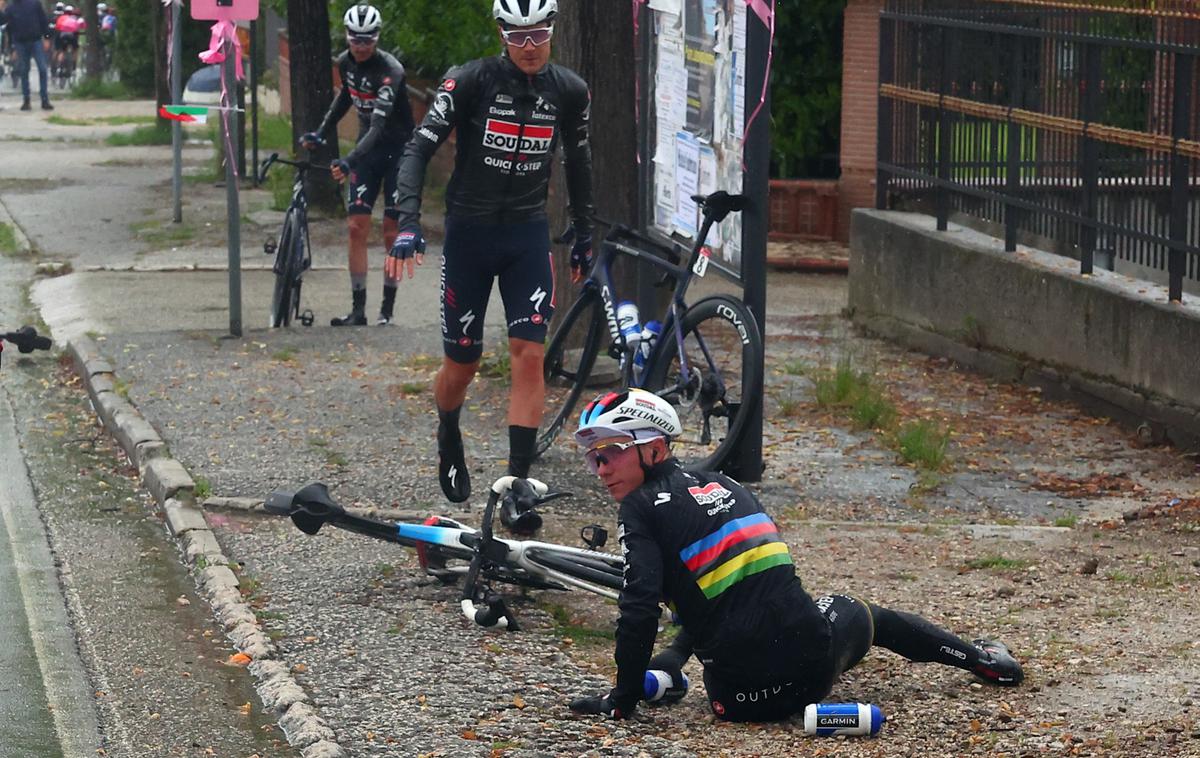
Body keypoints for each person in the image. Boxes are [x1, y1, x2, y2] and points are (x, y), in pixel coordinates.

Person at [566, 389, 1025, 721]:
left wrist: (622, 699)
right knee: (861, 611)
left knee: (720, 613)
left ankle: (665, 679)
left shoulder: (639, 507)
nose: (601, 469)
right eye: (593, 458)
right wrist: (673, 653)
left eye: (611, 453)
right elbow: (748, 591)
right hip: (812, 667)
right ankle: (983, 660)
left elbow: (640, 608)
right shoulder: (727, 487)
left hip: (735, 702)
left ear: (655, 448)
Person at [387, 0, 595, 503]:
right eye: (517, 35)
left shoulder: (569, 90)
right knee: (463, 364)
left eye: (538, 34)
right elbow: (418, 149)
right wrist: (409, 223)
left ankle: (517, 482)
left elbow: (580, 162)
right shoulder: (470, 80)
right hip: (469, 235)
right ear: (501, 33)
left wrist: (583, 232)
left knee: (528, 355)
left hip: (526, 235)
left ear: (551, 31)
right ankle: (448, 428)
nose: (529, 47)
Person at [300, 4, 415, 327]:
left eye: (368, 40)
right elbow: (345, 99)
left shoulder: (391, 70)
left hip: (398, 151)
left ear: (377, 38)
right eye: (356, 39)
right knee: (355, 228)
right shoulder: (344, 62)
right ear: (348, 37)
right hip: (369, 152)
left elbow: (378, 127)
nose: (361, 46)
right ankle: (358, 310)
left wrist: (349, 160)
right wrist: (321, 134)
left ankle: (387, 311)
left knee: (391, 231)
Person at [0, 0, 53, 111]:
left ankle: (44, 99)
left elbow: (43, 20)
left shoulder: (34, 4)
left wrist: (47, 37)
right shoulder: (11, 8)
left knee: (42, 69)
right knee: (24, 71)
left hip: (36, 40)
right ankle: (26, 100)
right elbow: (5, 24)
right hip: (20, 42)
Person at [52, 4, 83, 76]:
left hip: (61, 36)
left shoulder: (61, 18)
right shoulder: (74, 18)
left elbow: (57, 28)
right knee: (75, 50)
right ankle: (74, 68)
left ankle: (58, 66)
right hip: (72, 36)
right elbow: (78, 28)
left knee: (61, 51)